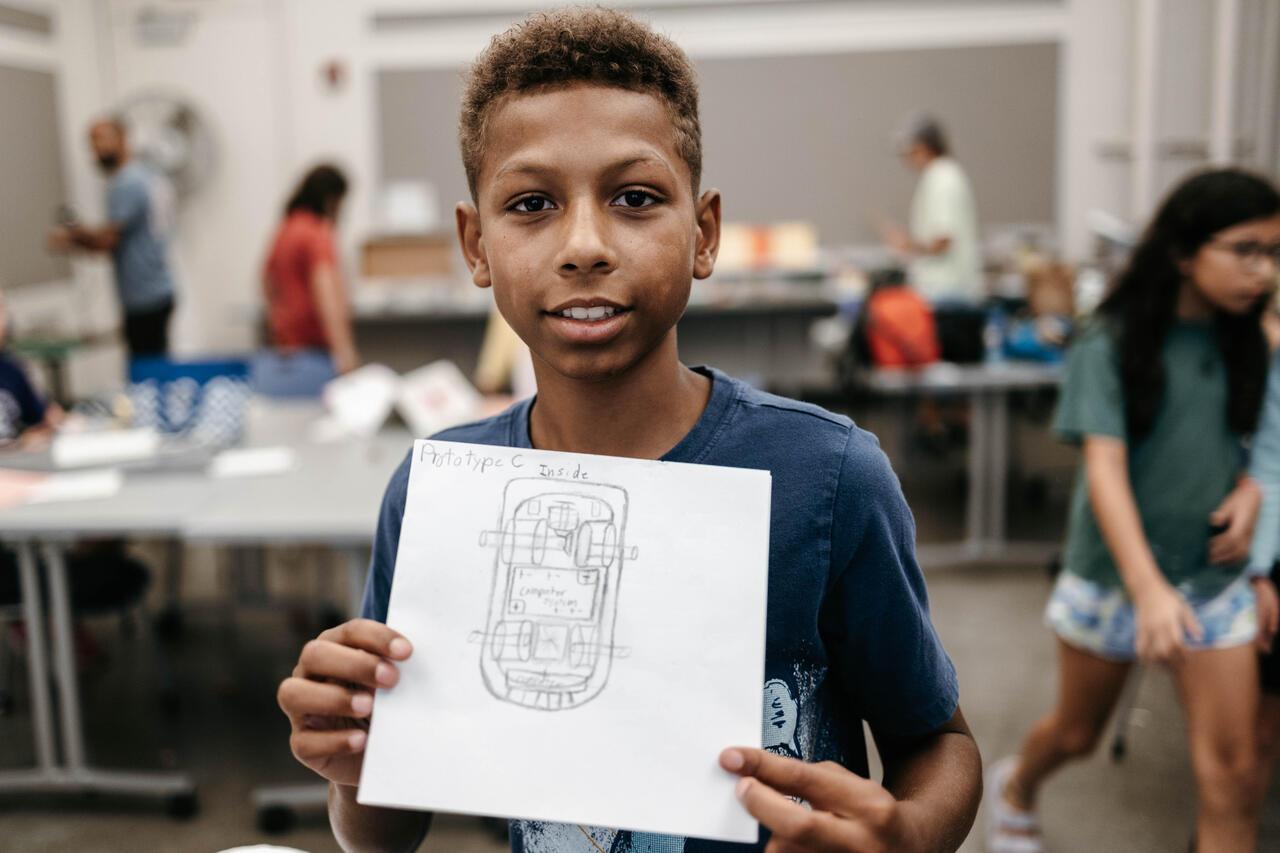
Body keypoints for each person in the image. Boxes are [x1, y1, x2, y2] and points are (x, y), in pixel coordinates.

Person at [276, 8, 981, 853]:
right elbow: (385, 832)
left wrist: (906, 836)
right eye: (531, 204)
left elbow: (939, 742)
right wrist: (356, 767)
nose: (584, 245)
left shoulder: (827, 476)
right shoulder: (440, 494)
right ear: (477, 246)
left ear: (703, 232)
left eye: (636, 198)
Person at [986, 169, 1280, 853]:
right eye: (1246, 249)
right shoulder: (1110, 341)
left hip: (1214, 576)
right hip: (1114, 579)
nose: (1263, 271)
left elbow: (1264, 443)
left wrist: (1254, 498)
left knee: (1235, 779)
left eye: (1273, 252)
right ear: (1183, 252)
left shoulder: (1252, 343)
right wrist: (1147, 589)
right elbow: (1105, 469)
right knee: (1076, 734)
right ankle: (1018, 787)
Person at [48, 117, 178, 358]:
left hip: (145, 296)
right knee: (156, 364)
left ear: (122, 138)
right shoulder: (147, 175)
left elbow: (106, 241)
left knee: (146, 372)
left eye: (101, 139)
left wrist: (73, 236)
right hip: (158, 289)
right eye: (92, 142)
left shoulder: (126, 183)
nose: (96, 148)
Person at [262, 164, 360, 378]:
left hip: (287, 351)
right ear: (331, 200)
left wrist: (278, 323)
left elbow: (266, 280)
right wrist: (344, 352)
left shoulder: (287, 229)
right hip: (315, 353)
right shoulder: (317, 233)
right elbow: (326, 294)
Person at [879, 114, 983, 304]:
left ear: (924, 149)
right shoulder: (943, 175)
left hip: (946, 291)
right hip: (945, 290)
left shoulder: (942, 178)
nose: (907, 161)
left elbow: (942, 240)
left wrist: (907, 244)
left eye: (910, 153)